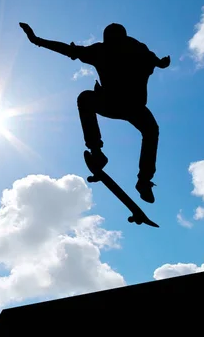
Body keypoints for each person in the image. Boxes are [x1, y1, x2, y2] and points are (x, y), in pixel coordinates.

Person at [19, 22, 170, 203]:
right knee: (149, 130)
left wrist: (37, 40)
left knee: (88, 100)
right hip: (126, 105)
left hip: (123, 105)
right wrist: (37, 40)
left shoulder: (120, 50)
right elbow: (68, 50)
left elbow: (68, 50)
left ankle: (140, 179)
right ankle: (103, 156)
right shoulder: (122, 50)